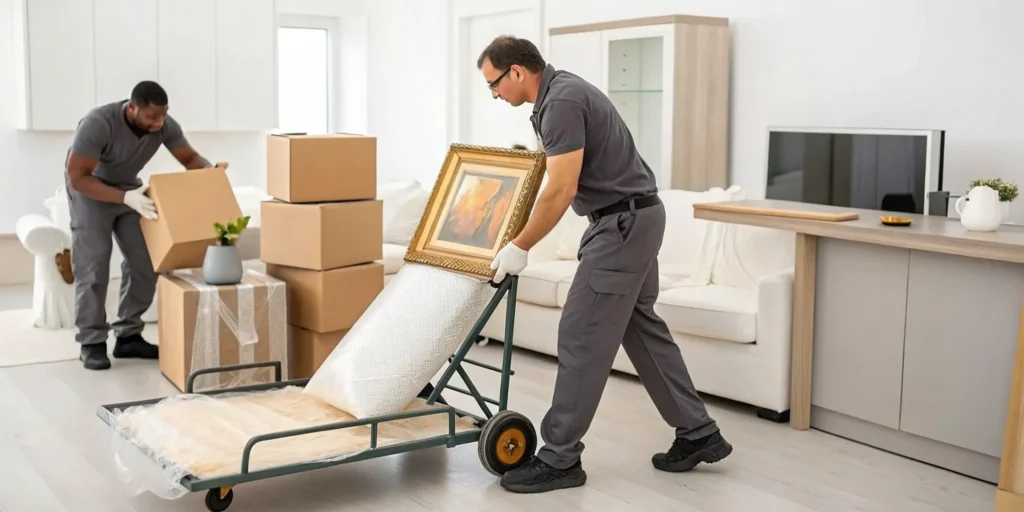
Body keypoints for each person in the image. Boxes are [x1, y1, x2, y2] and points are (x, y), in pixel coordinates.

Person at [478, 36, 732, 494]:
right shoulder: (558, 97)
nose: (494, 94)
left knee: (581, 335)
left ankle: (559, 459)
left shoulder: (562, 102)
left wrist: (521, 246)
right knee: (639, 327)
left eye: (493, 84)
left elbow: (561, 189)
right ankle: (698, 432)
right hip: (633, 218)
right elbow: (557, 176)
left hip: (621, 226)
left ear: (516, 72)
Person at [65, 81, 227, 371]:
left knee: (147, 261)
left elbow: (189, 158)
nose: (158, 123)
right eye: (152, 117)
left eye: (163, 116)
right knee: (94, 266)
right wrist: (122, 197)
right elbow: (78, 176)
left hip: (132, 193)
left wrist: (210, 173)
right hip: (91, 192)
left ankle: (128, 336)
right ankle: (91, 342)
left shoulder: (164, 125)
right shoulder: (98, 123)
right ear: (132, 108)